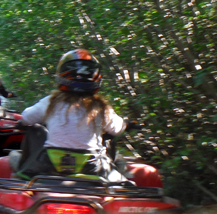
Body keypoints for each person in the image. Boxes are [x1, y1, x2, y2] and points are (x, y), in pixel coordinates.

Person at [15, 48, 138, 181]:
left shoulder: (50, 102)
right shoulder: (101, 107)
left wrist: (23, 123)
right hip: (92, 166)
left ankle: (25, 172)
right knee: (123, 179)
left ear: (62, 75)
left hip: (49, 164)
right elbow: (117, 129)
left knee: (34, 130)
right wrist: (126, 124)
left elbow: (26, 118)